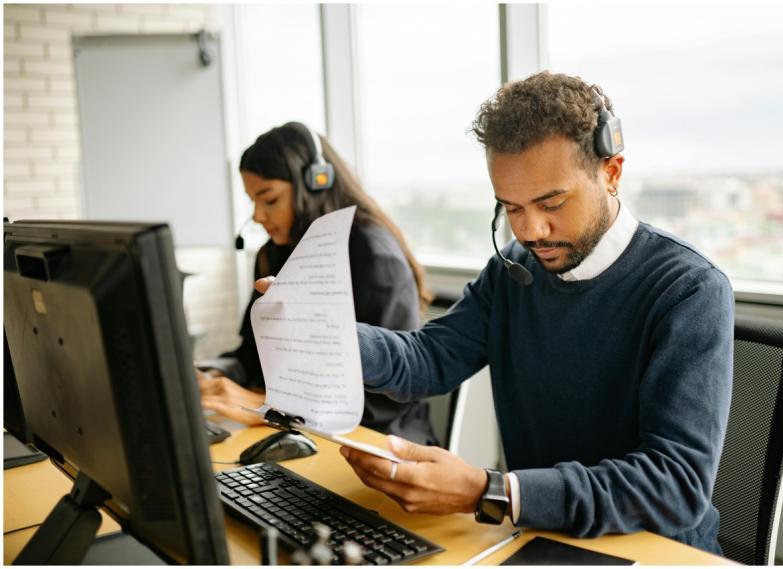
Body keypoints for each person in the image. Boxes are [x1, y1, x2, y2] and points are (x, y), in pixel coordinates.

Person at [257, 73, 734, 554]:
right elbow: (428, 357)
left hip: (655, 549)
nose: (531, 230)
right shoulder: (513, 272)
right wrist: (327, 331)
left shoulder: (688, 289)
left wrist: (494, 492)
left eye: (552, 203)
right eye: (511, 207)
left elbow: (677, 486)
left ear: (611, 172)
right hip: (540, 538)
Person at [198, 121, 438, 445]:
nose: (256, 215)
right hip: (300, 434)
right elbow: (249, 357)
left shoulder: (373, 254)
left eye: (269, 199)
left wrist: (266, 407)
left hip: (378, 441)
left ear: (315, 183)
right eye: (252, 200)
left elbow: (386, 401)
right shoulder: (274, 254)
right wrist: (213, 375)